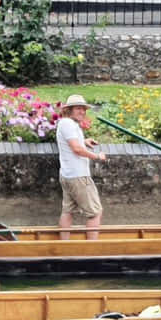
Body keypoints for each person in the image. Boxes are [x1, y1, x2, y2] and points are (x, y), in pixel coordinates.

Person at [54, 94, 107, 238]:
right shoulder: (69, 124)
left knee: (67, 211)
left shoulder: (66, 123)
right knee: (95, 213)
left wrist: (85, 141)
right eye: (78, 109)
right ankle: (90, 251)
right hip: (79, 177)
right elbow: (76, 149)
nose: (82, 112)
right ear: (69, 110)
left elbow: (73, 143)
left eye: (84, 109)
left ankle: (65, 247)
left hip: (67, 175)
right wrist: (97, 156)